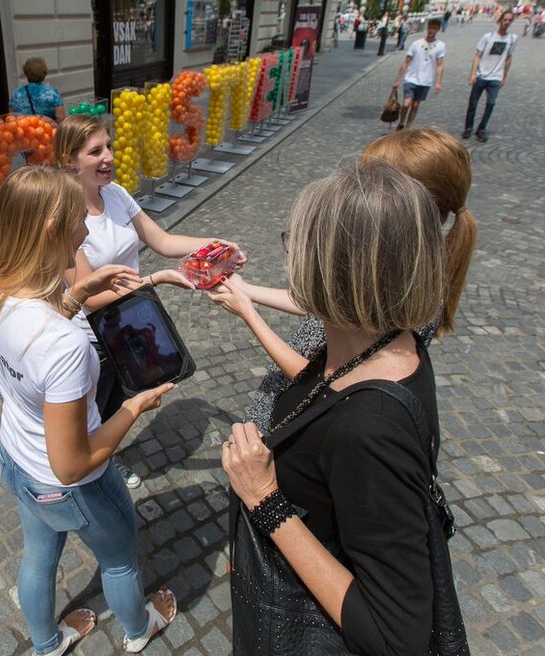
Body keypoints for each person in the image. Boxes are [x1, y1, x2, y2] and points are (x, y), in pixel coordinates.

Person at [222, 160, 450, 654]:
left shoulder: (369, 430)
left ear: (331, 271)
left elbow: (395, 635)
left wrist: (263, 500)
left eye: (295, 246)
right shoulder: (376, 340)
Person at [0, 166, 177, 656]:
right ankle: (138, 628)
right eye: (79, 220)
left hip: (17, 458)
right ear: (50, 230)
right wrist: (132, 408)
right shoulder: (63, 346)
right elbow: (73, 463)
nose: (86, 229)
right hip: (67, 484)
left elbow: (28, 349)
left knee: (39, 557)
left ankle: (46, 644)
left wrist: (76, 295)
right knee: (121, 560)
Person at [212, 127, 477, 434]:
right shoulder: (392, 259)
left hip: (307, 406)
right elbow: (323, 303)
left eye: (368, 182)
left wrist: (248, 313)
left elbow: (325, 380)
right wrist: (246, 290)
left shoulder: (411, 291)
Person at [53, 114, 238, 488]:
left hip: (133, 320)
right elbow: (91, 297)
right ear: (70, 160)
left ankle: (108, 456)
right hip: (93, 338)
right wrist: (155, 279)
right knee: (93, 411)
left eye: (109, 146)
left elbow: (163, 241)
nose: (108, 157)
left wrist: (217, 243)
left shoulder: (117, 195)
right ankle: (90, 471)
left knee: (122, 399)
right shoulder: (64, 217)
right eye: (95, 151)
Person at [461, 11, 517, 142]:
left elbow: (509, 58)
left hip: (496, 77)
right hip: (481, 75)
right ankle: (468, 128)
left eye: (509, 20)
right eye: (505, 20)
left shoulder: (512, 39)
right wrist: (473, 74)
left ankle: (481, 129)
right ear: (500, 20)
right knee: (473, 103)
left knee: (491, 103)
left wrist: (504, 76)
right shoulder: (488, 36)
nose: (507, 22)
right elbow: (477, 56)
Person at [391, 18, 445, 130]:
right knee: (406, 103)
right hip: (411, 78)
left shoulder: (440, 46)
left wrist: (439, 82)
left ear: (438, 29)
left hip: (425, 80)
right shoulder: (417, 44)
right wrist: (398, 79)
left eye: (434, 28)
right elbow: (406, 61)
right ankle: (401, 122)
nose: (431, 30)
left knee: (415, 105)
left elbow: (440, 64)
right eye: (430, 28)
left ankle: (408, 126)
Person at [9, 57, 65, 122]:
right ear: (44, 73)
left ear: (26, 73)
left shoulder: (16, 94)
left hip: (24, 130)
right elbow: (61, 118)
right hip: (46, 130)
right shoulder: (52, 93)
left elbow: (11, 119)